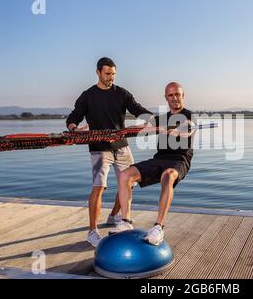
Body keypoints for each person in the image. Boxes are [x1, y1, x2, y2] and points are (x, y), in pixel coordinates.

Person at [66, 57, 153, 247]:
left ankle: (114, 216)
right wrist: (73, 128)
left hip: (121, 146)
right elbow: (74, 117)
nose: (111, 77)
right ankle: (92, 232)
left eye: (113, 74)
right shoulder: (88, 95)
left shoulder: (122, 93)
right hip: (99, 149)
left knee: (129, 183)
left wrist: (153, 119)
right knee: (99, 187)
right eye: (107, 74)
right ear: (97, 72)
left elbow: (137, 109)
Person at [111, 82, 195, 246]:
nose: (174, 98)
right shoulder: (160, 119)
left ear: (183, 96)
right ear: (166, 98)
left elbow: (189, 129)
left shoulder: (189, 116)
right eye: (170, 95)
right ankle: (126, 220)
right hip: (159, 159)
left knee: (168, 175)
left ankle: (158, 227)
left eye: (177, 94)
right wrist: (123, 131)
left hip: (179, 160)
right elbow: (142, 127)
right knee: (125, 175)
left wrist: (176, 131)